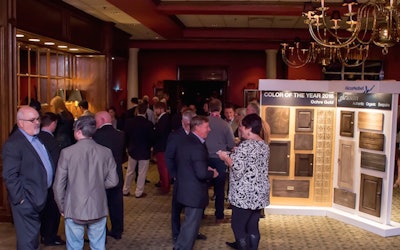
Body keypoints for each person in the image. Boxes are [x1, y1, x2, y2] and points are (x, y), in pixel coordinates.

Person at [53, 115, 119, 249]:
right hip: (98, 206)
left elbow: (58, 185)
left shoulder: (67, 153)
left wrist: (62, 206)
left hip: (73, 206)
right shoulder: (106, 152)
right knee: (98, 246)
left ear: (78, 131)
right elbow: (113, 181)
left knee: (74, 246)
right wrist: (98, 185)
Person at [2, 106, 54, 249]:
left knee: (33, 240)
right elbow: (10, 176)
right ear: (20, 123)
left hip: (40, 197)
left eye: (38, 119)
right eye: (32, 120)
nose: (37, 122)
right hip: (27, 202)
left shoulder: (36, 138)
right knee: (28, 242)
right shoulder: (14, 144)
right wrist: (21, 200)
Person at [217, 113, 271, 250]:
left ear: (249, 128)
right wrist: (237, 152)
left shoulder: (245, 146)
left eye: (241, 126)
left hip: (244, 195)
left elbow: (237, 169)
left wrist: (225, 157)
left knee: (238, 226)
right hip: (259, 193)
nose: (239, 129)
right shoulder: (264, 145)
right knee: (253, 226)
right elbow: (251, 163)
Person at [173, 116, 219, 250]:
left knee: (188, 224)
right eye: (206, 127)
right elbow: (201, 174)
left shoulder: (185, 140)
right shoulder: (198, 146)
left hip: (185, 189)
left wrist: (205, 168)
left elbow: (188, 163)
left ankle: (179, 247)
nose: (209, 129)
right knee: (191, 227)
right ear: (197, 127)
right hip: (194, 192)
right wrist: (212, 173)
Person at [93, 111, 126, 240]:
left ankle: (103, 231)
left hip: (99, 175)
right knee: (117, 204)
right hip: (116, 174)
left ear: (101, 120)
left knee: (100, 204)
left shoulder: (95, 136)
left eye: (96, 121)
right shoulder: (121, 135)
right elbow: (123, 155)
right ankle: (117, 231)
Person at [205, 98, 236, 223]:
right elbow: (231, 144)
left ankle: (200, 212)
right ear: (220, 109)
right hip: (219, 159)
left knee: (203, 187)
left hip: (204, 159)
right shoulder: (225, 125)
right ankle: (219, 216)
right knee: (219, 189)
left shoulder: (203, 122)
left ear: (208, 108)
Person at [38, 112, 65, 246]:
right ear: (53, 123)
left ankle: (43, 234)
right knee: (52, 211)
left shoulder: (35, 137)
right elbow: (56, 162)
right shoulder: (52, 141)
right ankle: (50, 236)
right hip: (52, 181)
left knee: (42, 211)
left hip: (38, 182)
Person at [123, 103, 155, 198]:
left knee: (129, 171)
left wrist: (127, 147)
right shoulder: (149, 124)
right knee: (142, 172)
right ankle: (138, 192)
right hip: (144, 150)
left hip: (132, 149)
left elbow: (126, 136)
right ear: (145, 112)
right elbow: (152, 138)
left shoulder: (129, 122)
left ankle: (125, 190)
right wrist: (150, 147)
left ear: (137, 111)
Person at [153, 101, 172, 194]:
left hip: (162, 147)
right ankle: (164, 185)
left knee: (163, 168)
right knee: (163, 168)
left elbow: (159, 134)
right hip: (163, 147)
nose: (154, 111)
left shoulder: (164, 119)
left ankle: (165, 187)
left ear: (161, 109)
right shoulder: (164, 118)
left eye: (155, 109)